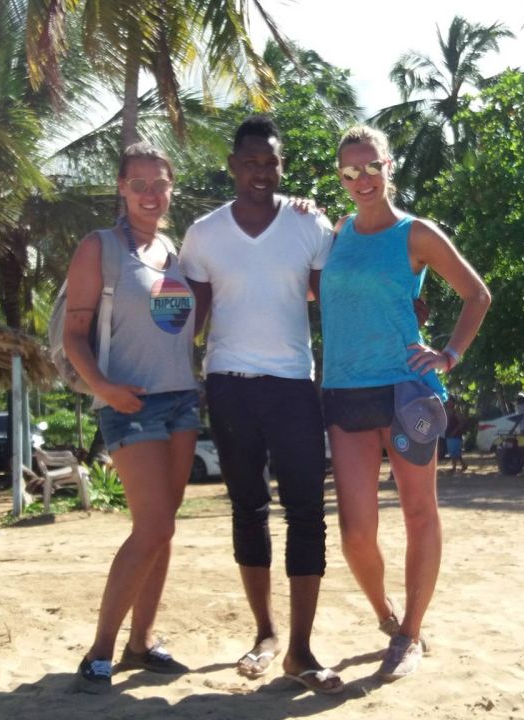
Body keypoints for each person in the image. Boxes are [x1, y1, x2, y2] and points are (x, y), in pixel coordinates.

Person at [320, 125, 491, 681]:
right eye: (351, 171)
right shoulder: (337, 232)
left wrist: (449, 355)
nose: (363, 178)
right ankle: (386, 615)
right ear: (341, 177)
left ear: (388, 166)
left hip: (406, 391)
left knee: (419, 513)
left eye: (372, 166)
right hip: (345, 391)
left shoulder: (415, 233)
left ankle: (411, 633)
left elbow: (477, 294)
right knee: (355, 532)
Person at [179, 115, 343, 694]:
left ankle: (301, 649)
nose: (260, 171)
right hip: (229, 384)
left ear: (281, 166)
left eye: (270, 162)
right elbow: (189, 321)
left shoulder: (309, 224)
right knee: (248, 510)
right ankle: (266, 634)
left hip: (294, 384)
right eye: (250, 161)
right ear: (232, 166)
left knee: (307, 514)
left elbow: (334, 294)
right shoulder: (203, 234)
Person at [65, 143, 199, 694]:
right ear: (121, 187)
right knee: (153, 526)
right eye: (138, 183)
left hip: (183, 400)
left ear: (171, 189)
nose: (150, 193)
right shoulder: (99, 248)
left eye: (159, 183)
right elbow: (74, 334)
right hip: (131, 404)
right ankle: (100, 650)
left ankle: (140, 643)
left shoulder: (175, 251)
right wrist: (104, 389)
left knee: (164, 528)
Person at [443, 398, 469, 473]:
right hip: (448, 434)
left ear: (453, 403)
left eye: (450, 402)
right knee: (454, 452)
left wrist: (455, 431)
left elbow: (462, 422)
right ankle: (463, 465)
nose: (448, 403)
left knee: (454, 452)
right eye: (448, 402)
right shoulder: (446, 412)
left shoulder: (456, 412)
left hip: (455, 435)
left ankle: (454, 467)